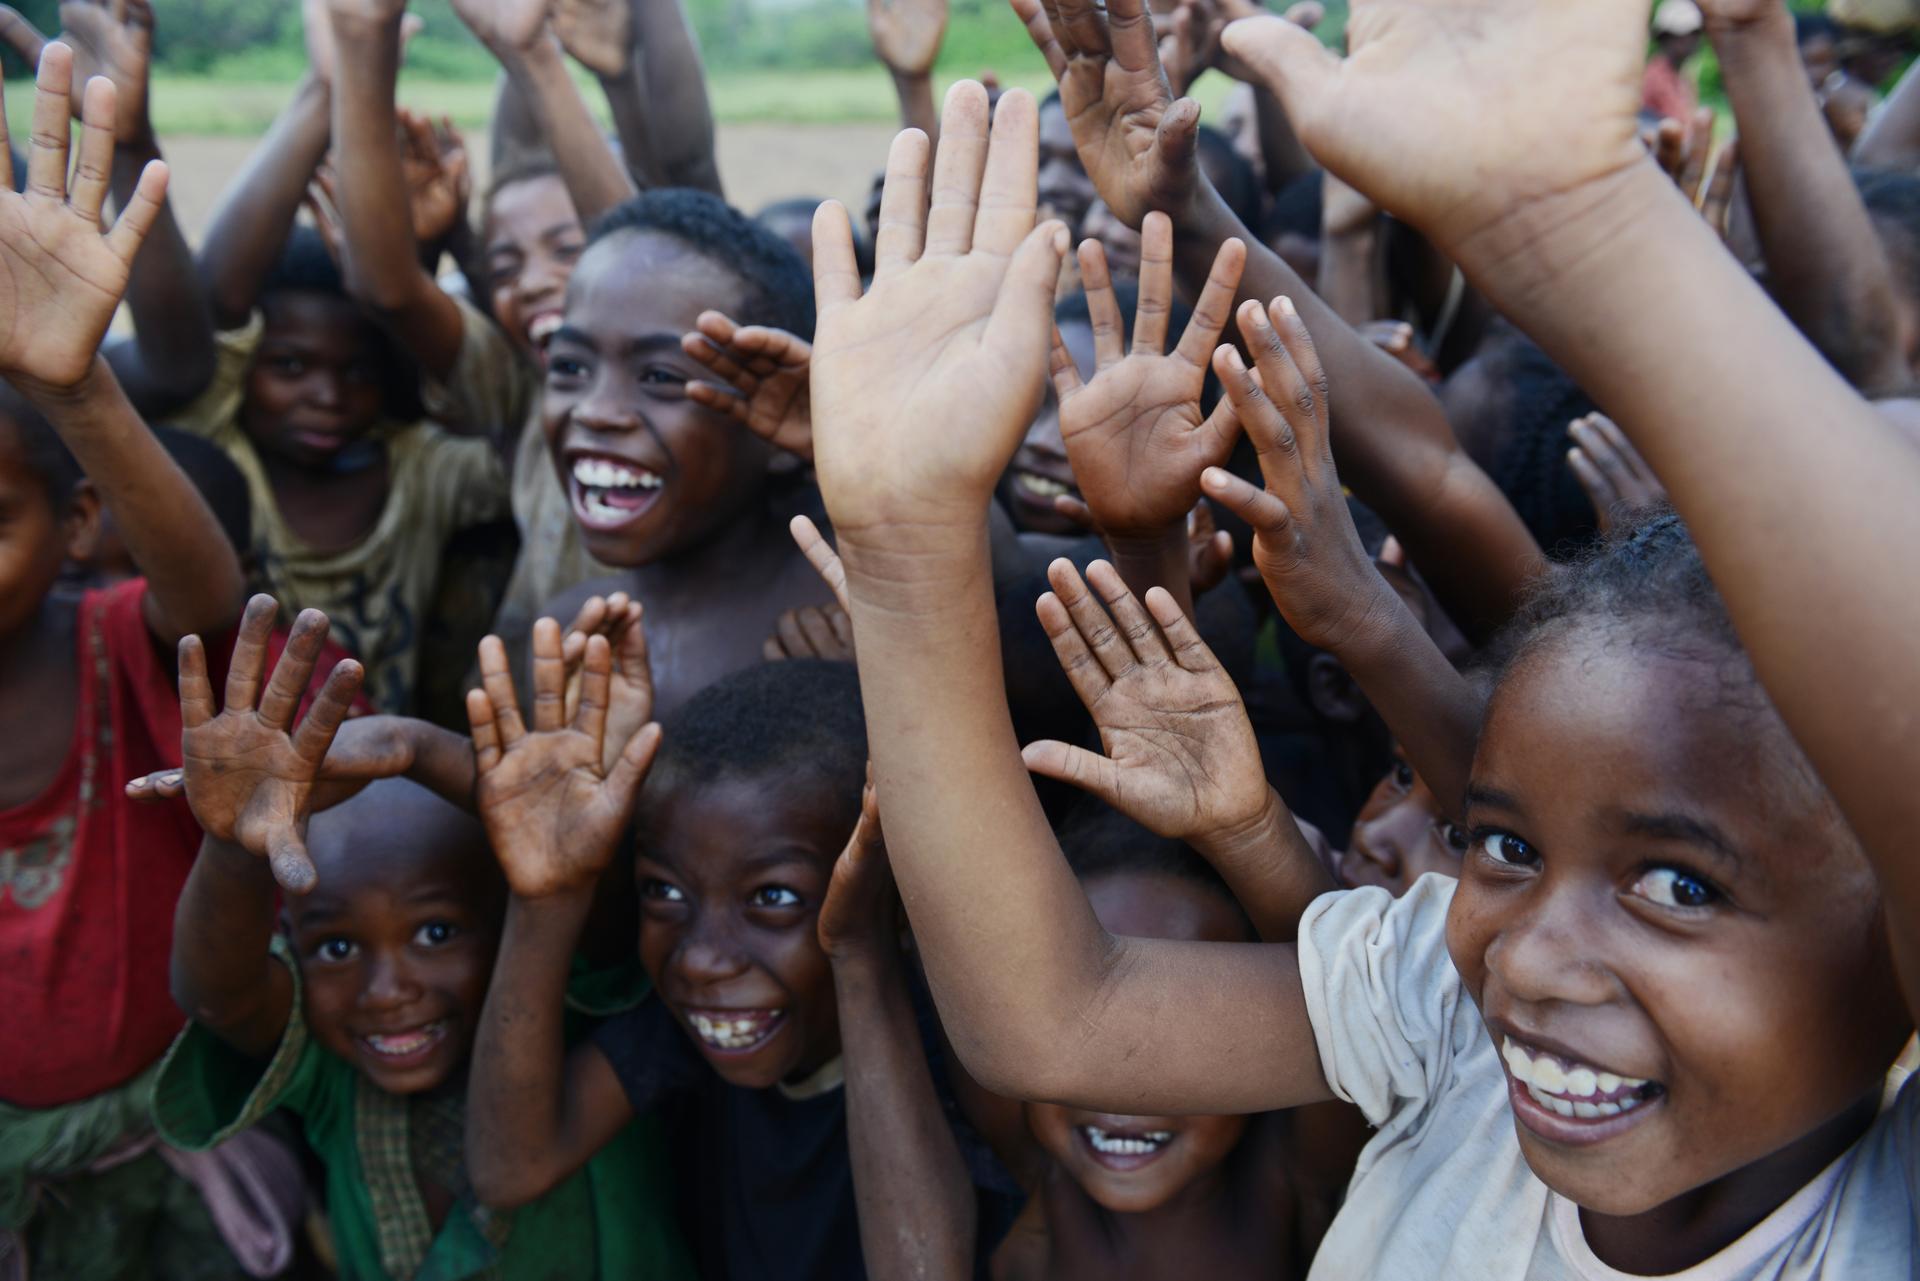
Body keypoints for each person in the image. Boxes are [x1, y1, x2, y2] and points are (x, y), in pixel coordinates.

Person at [801, 0, 1920, 1269]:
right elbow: (1058, 1017)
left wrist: (1589, 231)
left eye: (1679, 886)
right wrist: (902, 537)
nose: (1537, 961)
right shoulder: (1452, 1013)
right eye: (1497, 843)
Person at [153, 602, 692, 1280]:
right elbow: (219, 999)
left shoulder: (572, 1002)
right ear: (290, 943)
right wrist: (236, 848)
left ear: (505, 919)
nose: (390, 990)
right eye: (338, 948)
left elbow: (569, 868)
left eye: (436, 932)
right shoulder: (328, 1077)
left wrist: (414, 745)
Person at [460, 651, 1015, 1280]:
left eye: (773, 898)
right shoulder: (693, 1027)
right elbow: (511, 1168)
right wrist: (548, 900)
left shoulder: (964, 1054)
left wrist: (860, 950)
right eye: (665, 892)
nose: (701, 958)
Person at [0, 45, 256, 1279]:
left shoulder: (111, 647)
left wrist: (81, 391)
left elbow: (207, 598)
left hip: (164, 1155)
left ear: (77, 528)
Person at [826, 795, 1361, 1280]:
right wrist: (857, 955)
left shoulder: (1288, 1179)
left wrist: (1263, 843)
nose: (1121, 1091)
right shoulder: (1043, 1174)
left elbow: (1335, 998)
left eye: (1181, 1040)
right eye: (1084, 1034)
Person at [180, 3, 511, 714]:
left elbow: (515, 405)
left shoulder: (426, 469)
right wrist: (325, 91)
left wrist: (459, 246)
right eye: (290, 366)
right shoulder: (215, 462)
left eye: (356, 371)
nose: (327, 395)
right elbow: (220, 297)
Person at [1644, 0, 1705, 122]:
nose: (1693, 40)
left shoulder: (1684, 77)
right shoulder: (1654, 79)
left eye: (1696, 33)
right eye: (1688, 33)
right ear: (1667, 38)